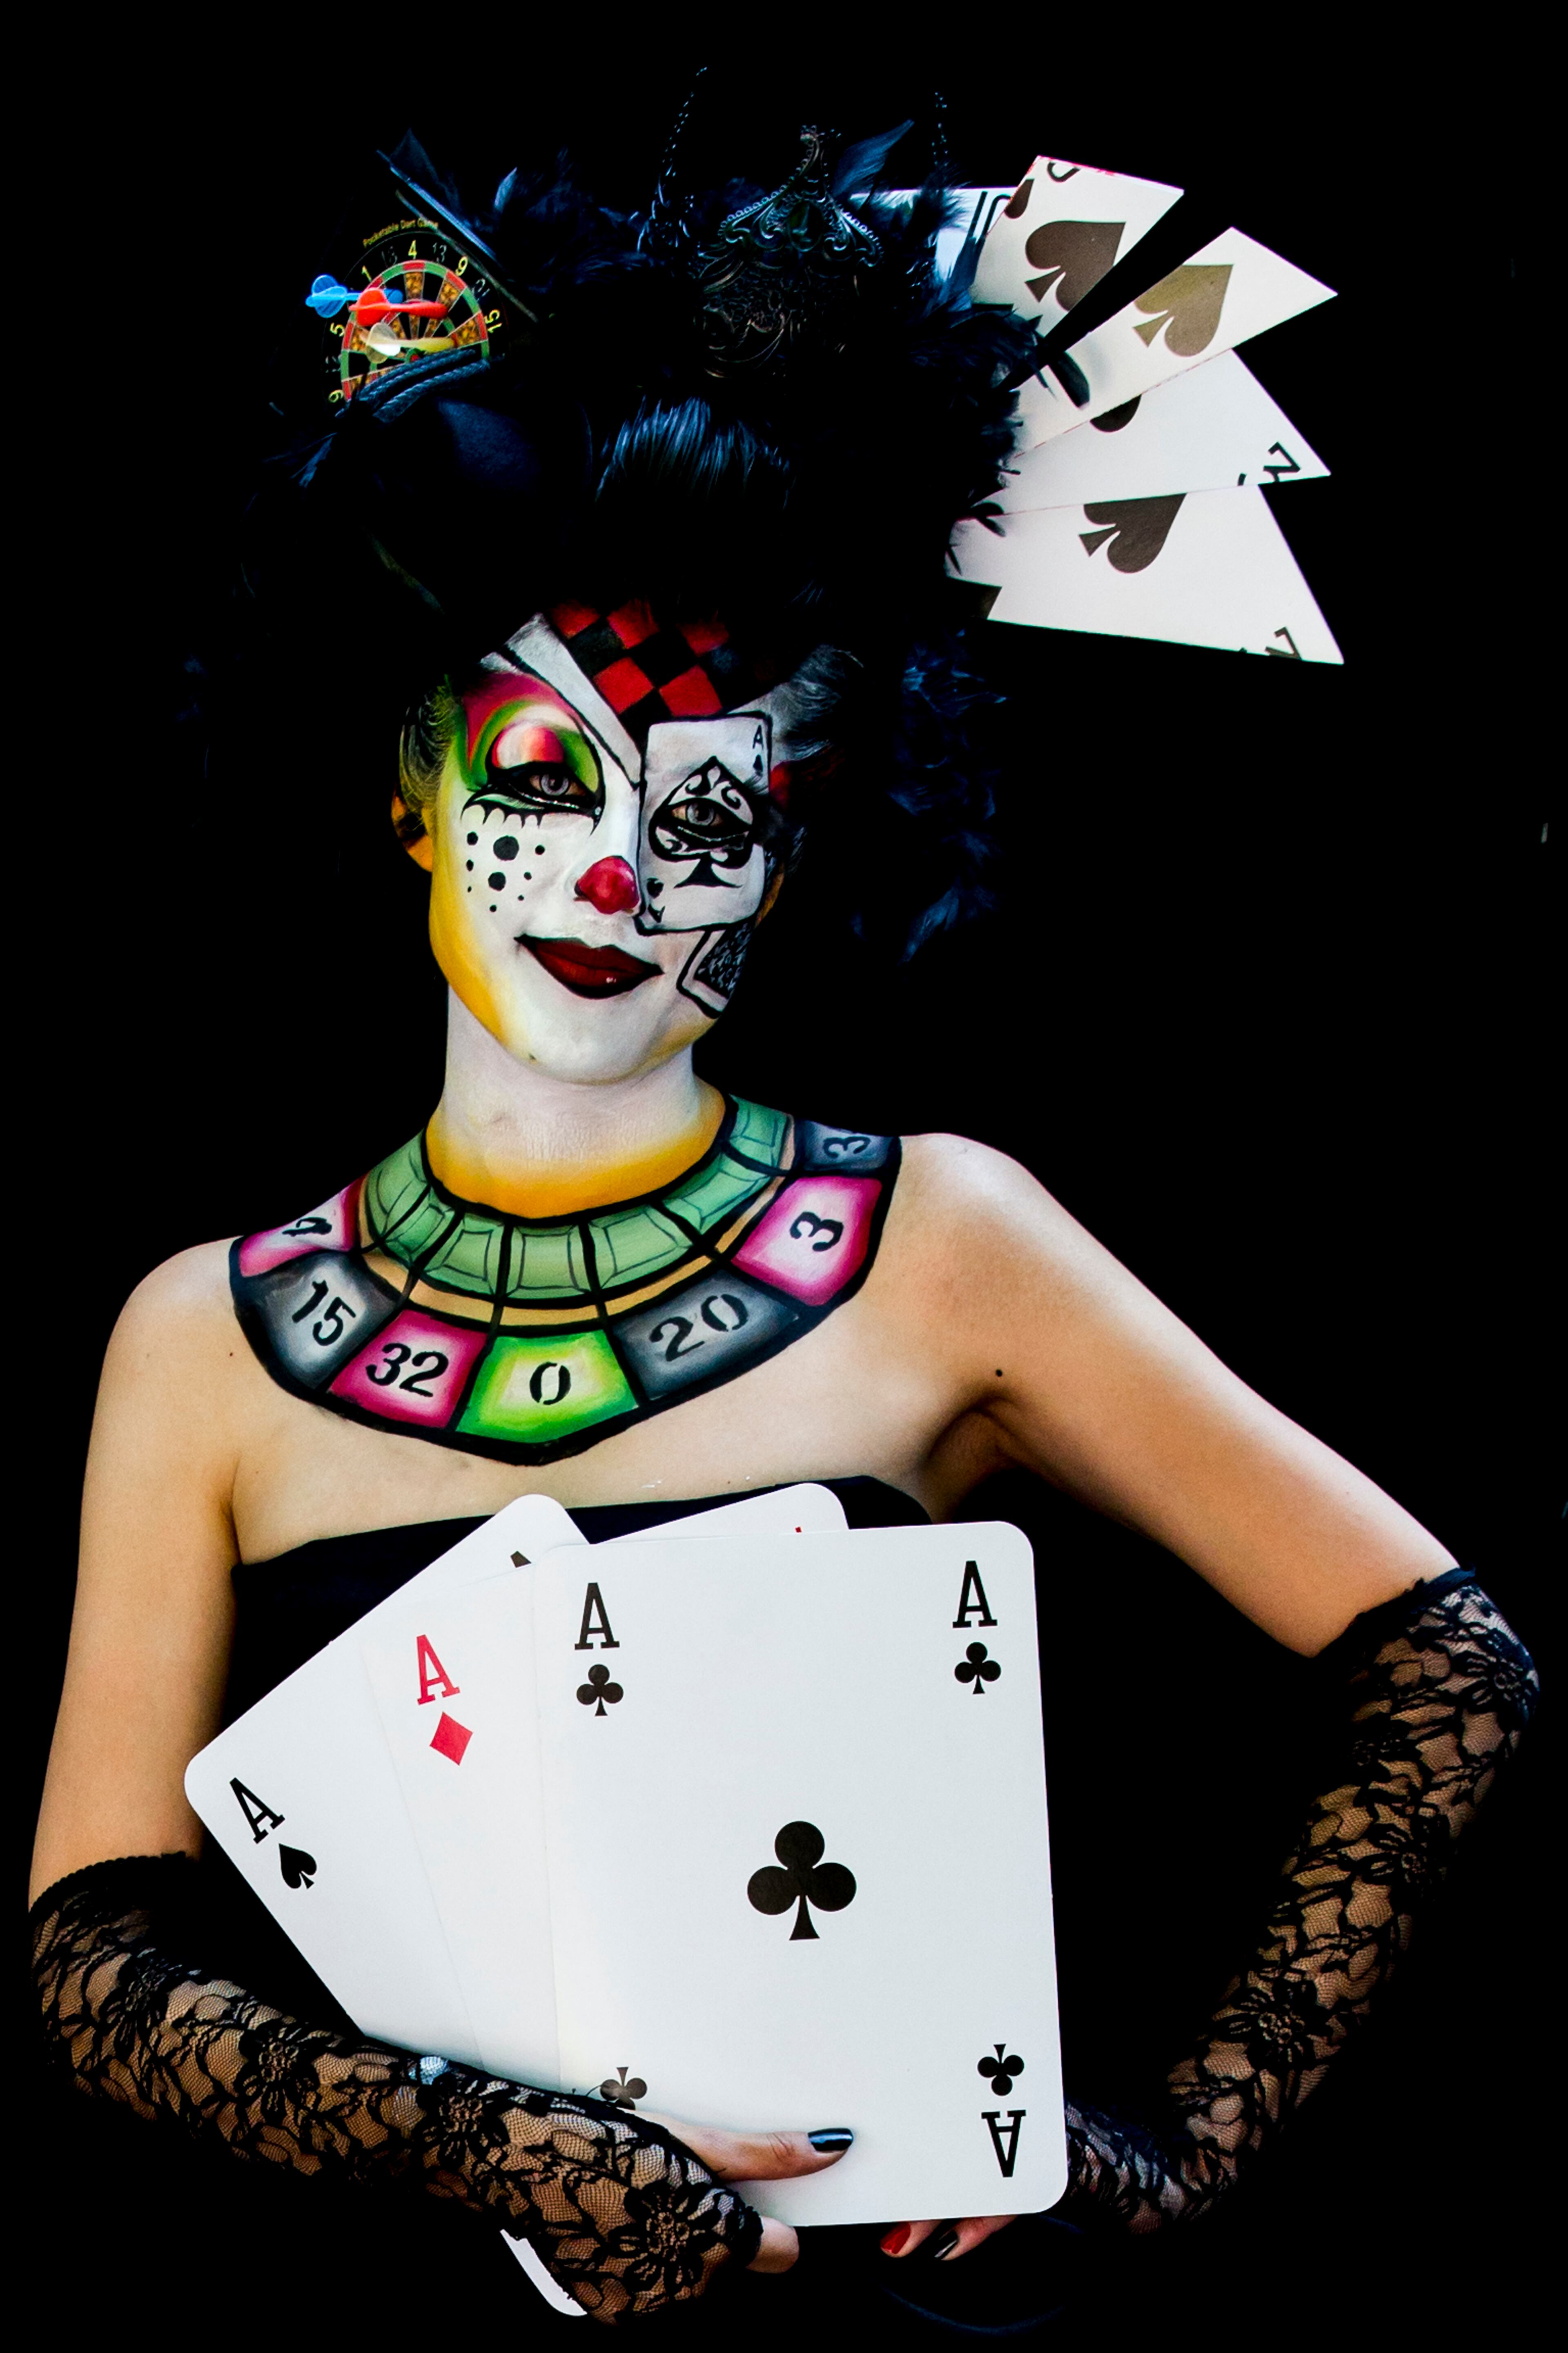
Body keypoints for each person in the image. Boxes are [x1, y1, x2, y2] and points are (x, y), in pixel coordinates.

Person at [28, 118, 1536, 2337]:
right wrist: (489, 2145)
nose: (619, 874)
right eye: (540, 778)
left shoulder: (945, 1240)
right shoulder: (203, 1338)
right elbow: (94, 1947)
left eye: (712, 809)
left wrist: (1171, 2149)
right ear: (414, 791)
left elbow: (1449, 1662)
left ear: (797, 851)